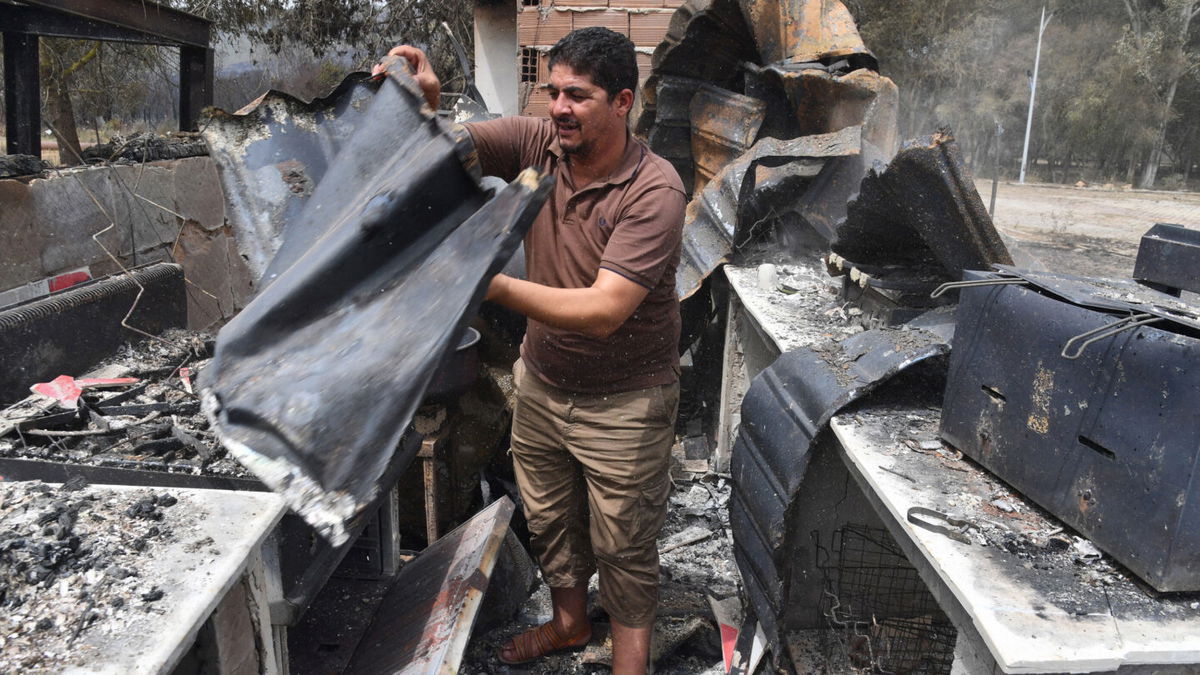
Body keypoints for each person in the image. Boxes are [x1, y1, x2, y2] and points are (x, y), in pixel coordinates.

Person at [380, 28, 686, 674]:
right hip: (544, 382)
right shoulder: (539, 143)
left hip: (625, 400)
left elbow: (604, 310)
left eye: (578, 95)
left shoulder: (654, 191)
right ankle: (570, 624)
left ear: (623, 101)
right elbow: (451, 154)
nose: (559, 108)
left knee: (624, 544)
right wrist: (424, 107)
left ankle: (632, 666)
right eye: (553, 91)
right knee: (550, 520)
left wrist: (488, 282)